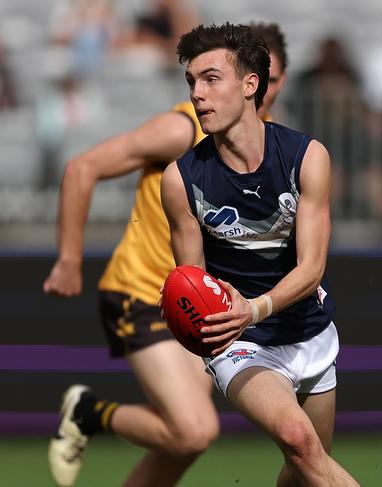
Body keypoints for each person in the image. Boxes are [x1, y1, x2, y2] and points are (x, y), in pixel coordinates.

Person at [43, 22, 289, 487]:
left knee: (181, 443)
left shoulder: (277, 150)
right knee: (194, 430)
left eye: (271, 78)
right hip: (143, 292)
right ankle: (91, 412)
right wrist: (69, 258)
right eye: (203, 80)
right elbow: (82, 168)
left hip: (199, 305)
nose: (263, 88)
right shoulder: (182, 128)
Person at [160, 23, 359, 486]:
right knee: (299, 440)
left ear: (251, 85)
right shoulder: (181, 179)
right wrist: (186, 313)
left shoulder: (306, 157)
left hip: (308, 329)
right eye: (192, 82)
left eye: (211, 79)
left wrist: (257, 307)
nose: (198, 94)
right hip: (240, 342)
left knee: (304, 470)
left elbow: (312, 269)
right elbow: (190, 278)